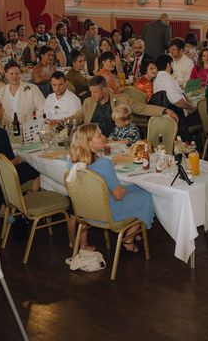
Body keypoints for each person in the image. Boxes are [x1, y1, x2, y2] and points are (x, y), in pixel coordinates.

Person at [68, 124, 154, 252]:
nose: (104, 137)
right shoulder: (104, 164)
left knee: (136, 188)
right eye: (99, 135)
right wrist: (123, 189)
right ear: (89, 142)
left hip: (85, 210)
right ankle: (128, 240)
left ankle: (134, 233)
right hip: (107, 212)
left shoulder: (71, 162)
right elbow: (118, 195)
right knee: (146, 196)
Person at [72, 76, 177, 137]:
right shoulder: (88, 102)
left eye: (95, 92)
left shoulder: (122, 100)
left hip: (117, 142)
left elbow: (143, 108)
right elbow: (76, 117)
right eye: (91, 92)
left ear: (104, 89)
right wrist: (61, 121)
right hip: (94, 142)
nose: (92, 95)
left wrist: (164, 110)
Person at [153, 55, 198, 123]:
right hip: (178, 118)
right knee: (203, 110)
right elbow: (177, 102)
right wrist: (192, 107)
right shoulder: (166, 79)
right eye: (172, 63)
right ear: (168, 64)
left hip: (166, 117)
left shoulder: (157, 78)